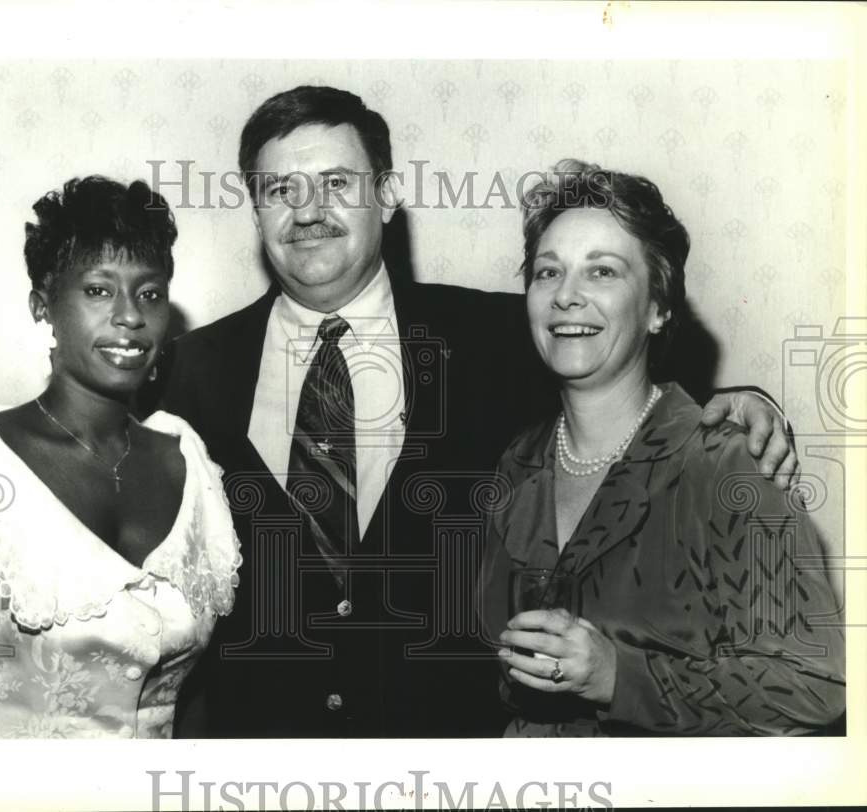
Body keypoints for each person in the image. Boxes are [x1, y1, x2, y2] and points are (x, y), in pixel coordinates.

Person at [152, 86, 796, 737]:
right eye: (280, 189)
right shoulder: (185, 371)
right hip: (260, 771)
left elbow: (626, 368)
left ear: (388, 194)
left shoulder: (500, 335)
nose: (308, 211)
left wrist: (734, 402)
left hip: (461, 767)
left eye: (336, 182)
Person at [480, 160, 844, 736]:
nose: (567, 295)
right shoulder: (518, 460)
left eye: (602, 271)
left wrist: (616, 677)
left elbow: (814, 686)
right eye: (548, 273)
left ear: (657, 307)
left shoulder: (728, 464)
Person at [0, 176, 241, 739]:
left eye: (150, 293)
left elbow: (195, 704)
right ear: (44, 306)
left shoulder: (190, 464)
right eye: (99, 290)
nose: (130, 316)